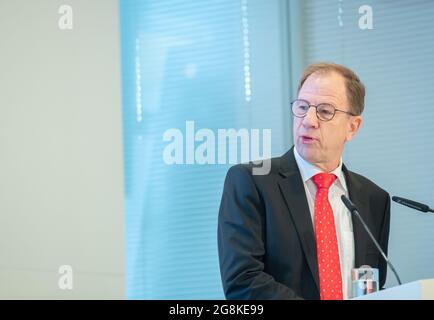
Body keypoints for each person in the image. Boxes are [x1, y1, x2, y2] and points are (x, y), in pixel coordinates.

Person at [217, 62, 390, 300]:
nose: (308, 120)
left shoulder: (373, 199)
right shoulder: (252, 181)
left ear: (352, 127)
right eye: (302, 106)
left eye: (325, 111)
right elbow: (243, 281)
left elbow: (371, 284)